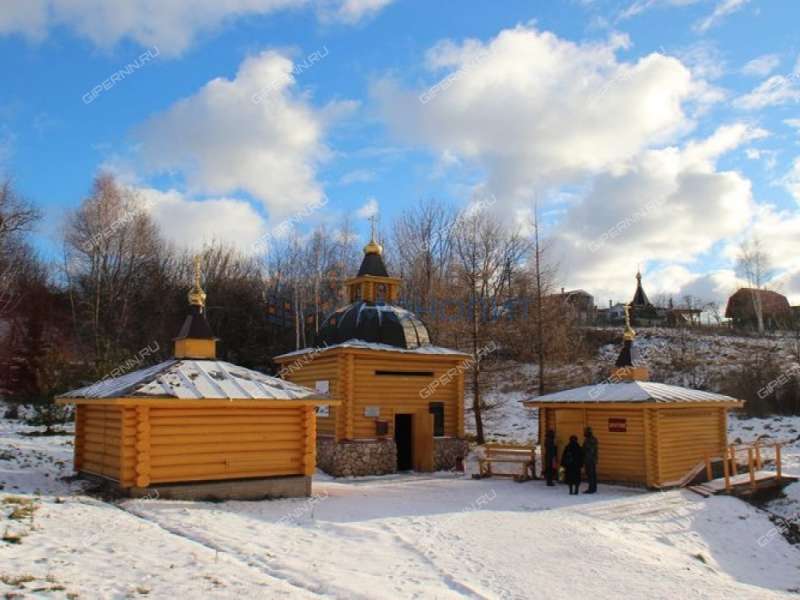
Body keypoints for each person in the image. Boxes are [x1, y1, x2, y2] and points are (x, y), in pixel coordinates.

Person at [583, 426, 599, 494]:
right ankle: (593, 488)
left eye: (585, 432)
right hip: (590, 459)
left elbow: (591, 450)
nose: (584, 433)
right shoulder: (588, 439)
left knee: (591, 474)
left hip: (590, 460)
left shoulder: (591, 440)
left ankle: (591, 488)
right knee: (591, 474)